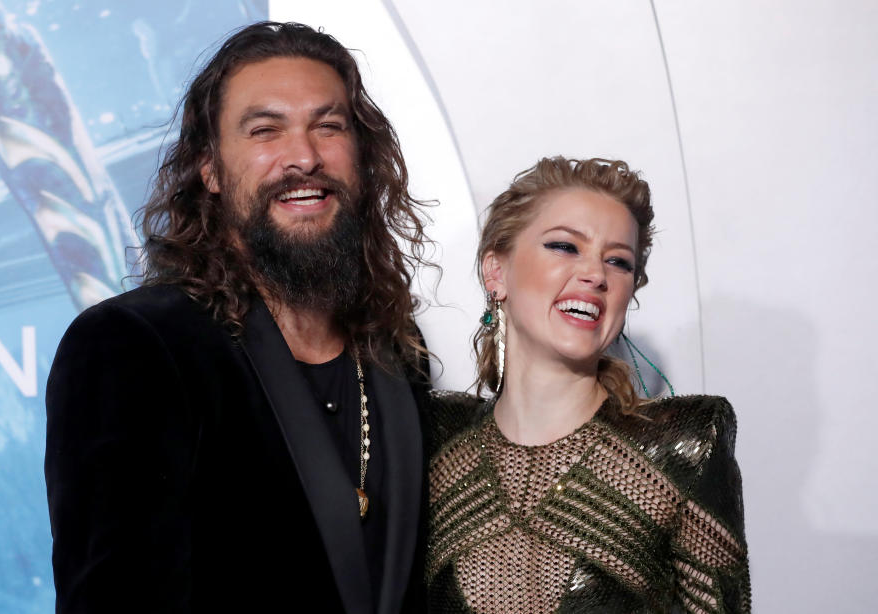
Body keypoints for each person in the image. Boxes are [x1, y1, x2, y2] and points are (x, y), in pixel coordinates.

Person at [44, 22, 431, 614]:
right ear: (211, 169)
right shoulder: (136, 346)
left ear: (362, 154)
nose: (303, 156)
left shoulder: (398, 351)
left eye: (328, 126)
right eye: (265, 130)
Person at [426, 157, 750, 612]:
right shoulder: (432, 436)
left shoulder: (682, 447)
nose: (596, 275)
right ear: (496, 272)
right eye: (564, 246)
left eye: (619, 261)